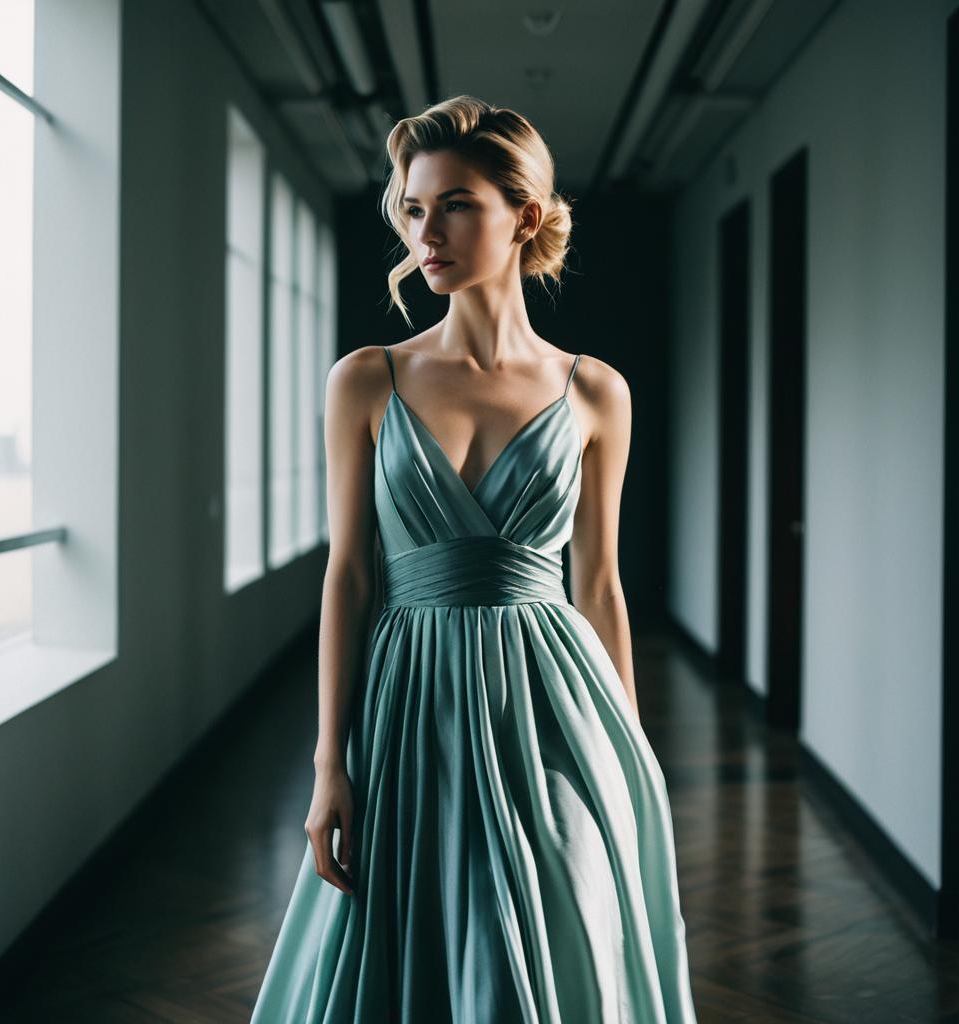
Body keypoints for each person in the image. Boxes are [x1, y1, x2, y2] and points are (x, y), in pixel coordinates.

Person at [249, 94, 697, 1023]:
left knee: (556, 925)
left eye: (455, 204)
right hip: (410, 698)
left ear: (523, 217)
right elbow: (350, 575)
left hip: (555, 699)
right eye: (413, 209)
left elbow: (600, 583)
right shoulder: (368, 378)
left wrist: (632, 750)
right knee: (416, 937)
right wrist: (331, 762)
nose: (427, 232)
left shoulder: (596, 392)